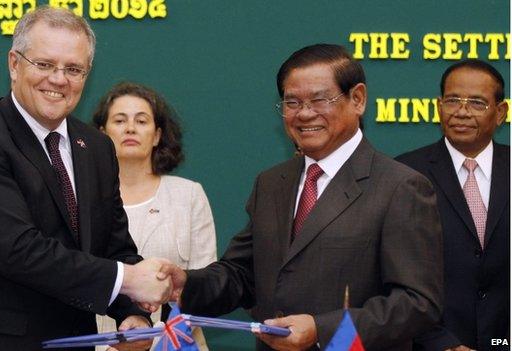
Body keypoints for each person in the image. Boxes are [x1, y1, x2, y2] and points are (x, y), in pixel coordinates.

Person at [0, 7, 173, 351]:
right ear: (14, 64)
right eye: (44, 64)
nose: (58, 79)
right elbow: (18, 250)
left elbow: (113, 245)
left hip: (69, 341)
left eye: (73, 69)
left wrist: (132, 315)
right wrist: (129, 280)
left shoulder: (95, 146)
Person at [161, 44, 444, 351]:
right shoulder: (271, 183)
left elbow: (417, 304)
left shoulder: (400, 186)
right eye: (292, 102)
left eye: (320, 99)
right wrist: (187, 284)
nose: (305, 113)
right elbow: (242, 275)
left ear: (358, 99)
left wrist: (321, 330)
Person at [92, 82, 217, 350]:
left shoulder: (189, 195)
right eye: (119, 120)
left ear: (158, 135)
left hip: (175, 344)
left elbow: (204, 287)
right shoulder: (83, 198)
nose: (130, 128)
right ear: (101, 134)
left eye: (141, 120)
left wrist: (154, 339)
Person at [396, 59, 509, 351]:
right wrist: (441, 343)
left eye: (476, 103)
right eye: (452, 100)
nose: (461, 111)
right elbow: (392, 274)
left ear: (500, 113)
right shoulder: (403, 174)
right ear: (438, 106)